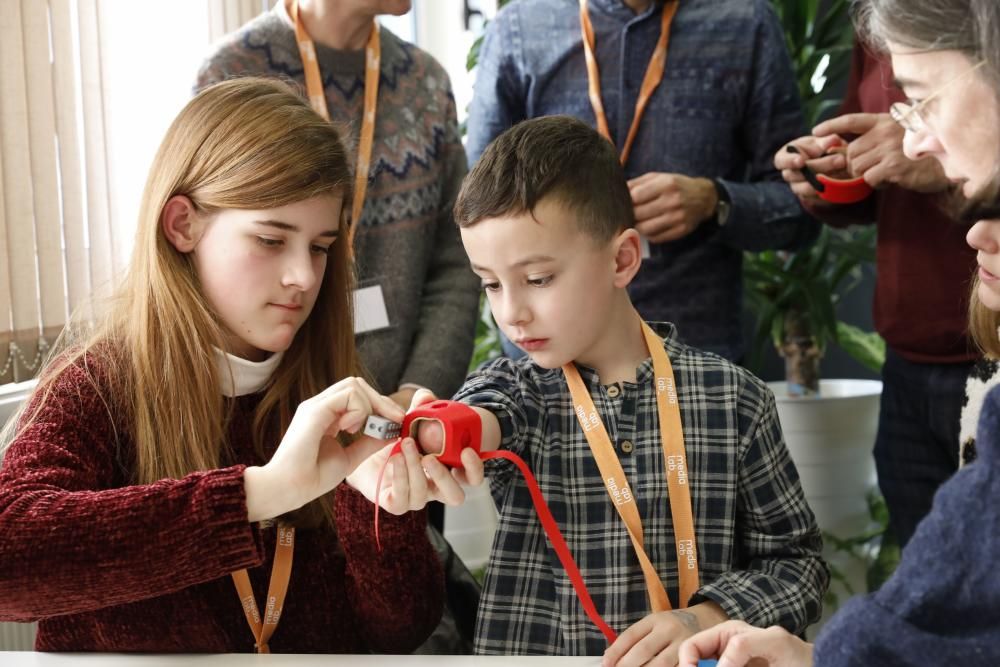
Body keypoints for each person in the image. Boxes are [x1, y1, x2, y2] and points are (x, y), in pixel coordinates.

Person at [0, 78, 469, 653]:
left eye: (320, 247)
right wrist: (260, 493)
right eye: (271, 240)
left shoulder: (335, 392)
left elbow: (398, 630)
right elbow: (10, 559)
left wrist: (384, 511)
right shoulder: (93, 388)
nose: (303, 276)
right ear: (182, 226)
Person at [406, 115, 828, 660]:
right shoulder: (517, 390)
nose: (511, 313)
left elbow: (799, 564)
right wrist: (437, 434)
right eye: (490, 283)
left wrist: (707, 615)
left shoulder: (735, 400)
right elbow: (479, 415)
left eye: (538, 279)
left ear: (622, 259)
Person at [678, 0, 1000, 664]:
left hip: (974, 346)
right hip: (910, 348)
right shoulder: (884, 24)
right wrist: (832, 177)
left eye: (923, 101)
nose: (913, 135)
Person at [465, 0, 820, 362]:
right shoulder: (519, 31)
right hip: (549, 372)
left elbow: (801, 210)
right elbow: (480, 211)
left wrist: (715, 201)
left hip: (695, 358)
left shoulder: (745, 25)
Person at [196, 0, 479, 412]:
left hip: (398, 417)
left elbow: (455, 259)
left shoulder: (426, 81)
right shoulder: (233, 70)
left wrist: (415, 394)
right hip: (267, 423)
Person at [774, 39, 979, 549]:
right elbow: (869, 177)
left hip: (988, 351)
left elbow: (925, 155)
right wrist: (826, 176)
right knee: (923, 579)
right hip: (906, 357)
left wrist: (939, 163)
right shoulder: (875, 19)